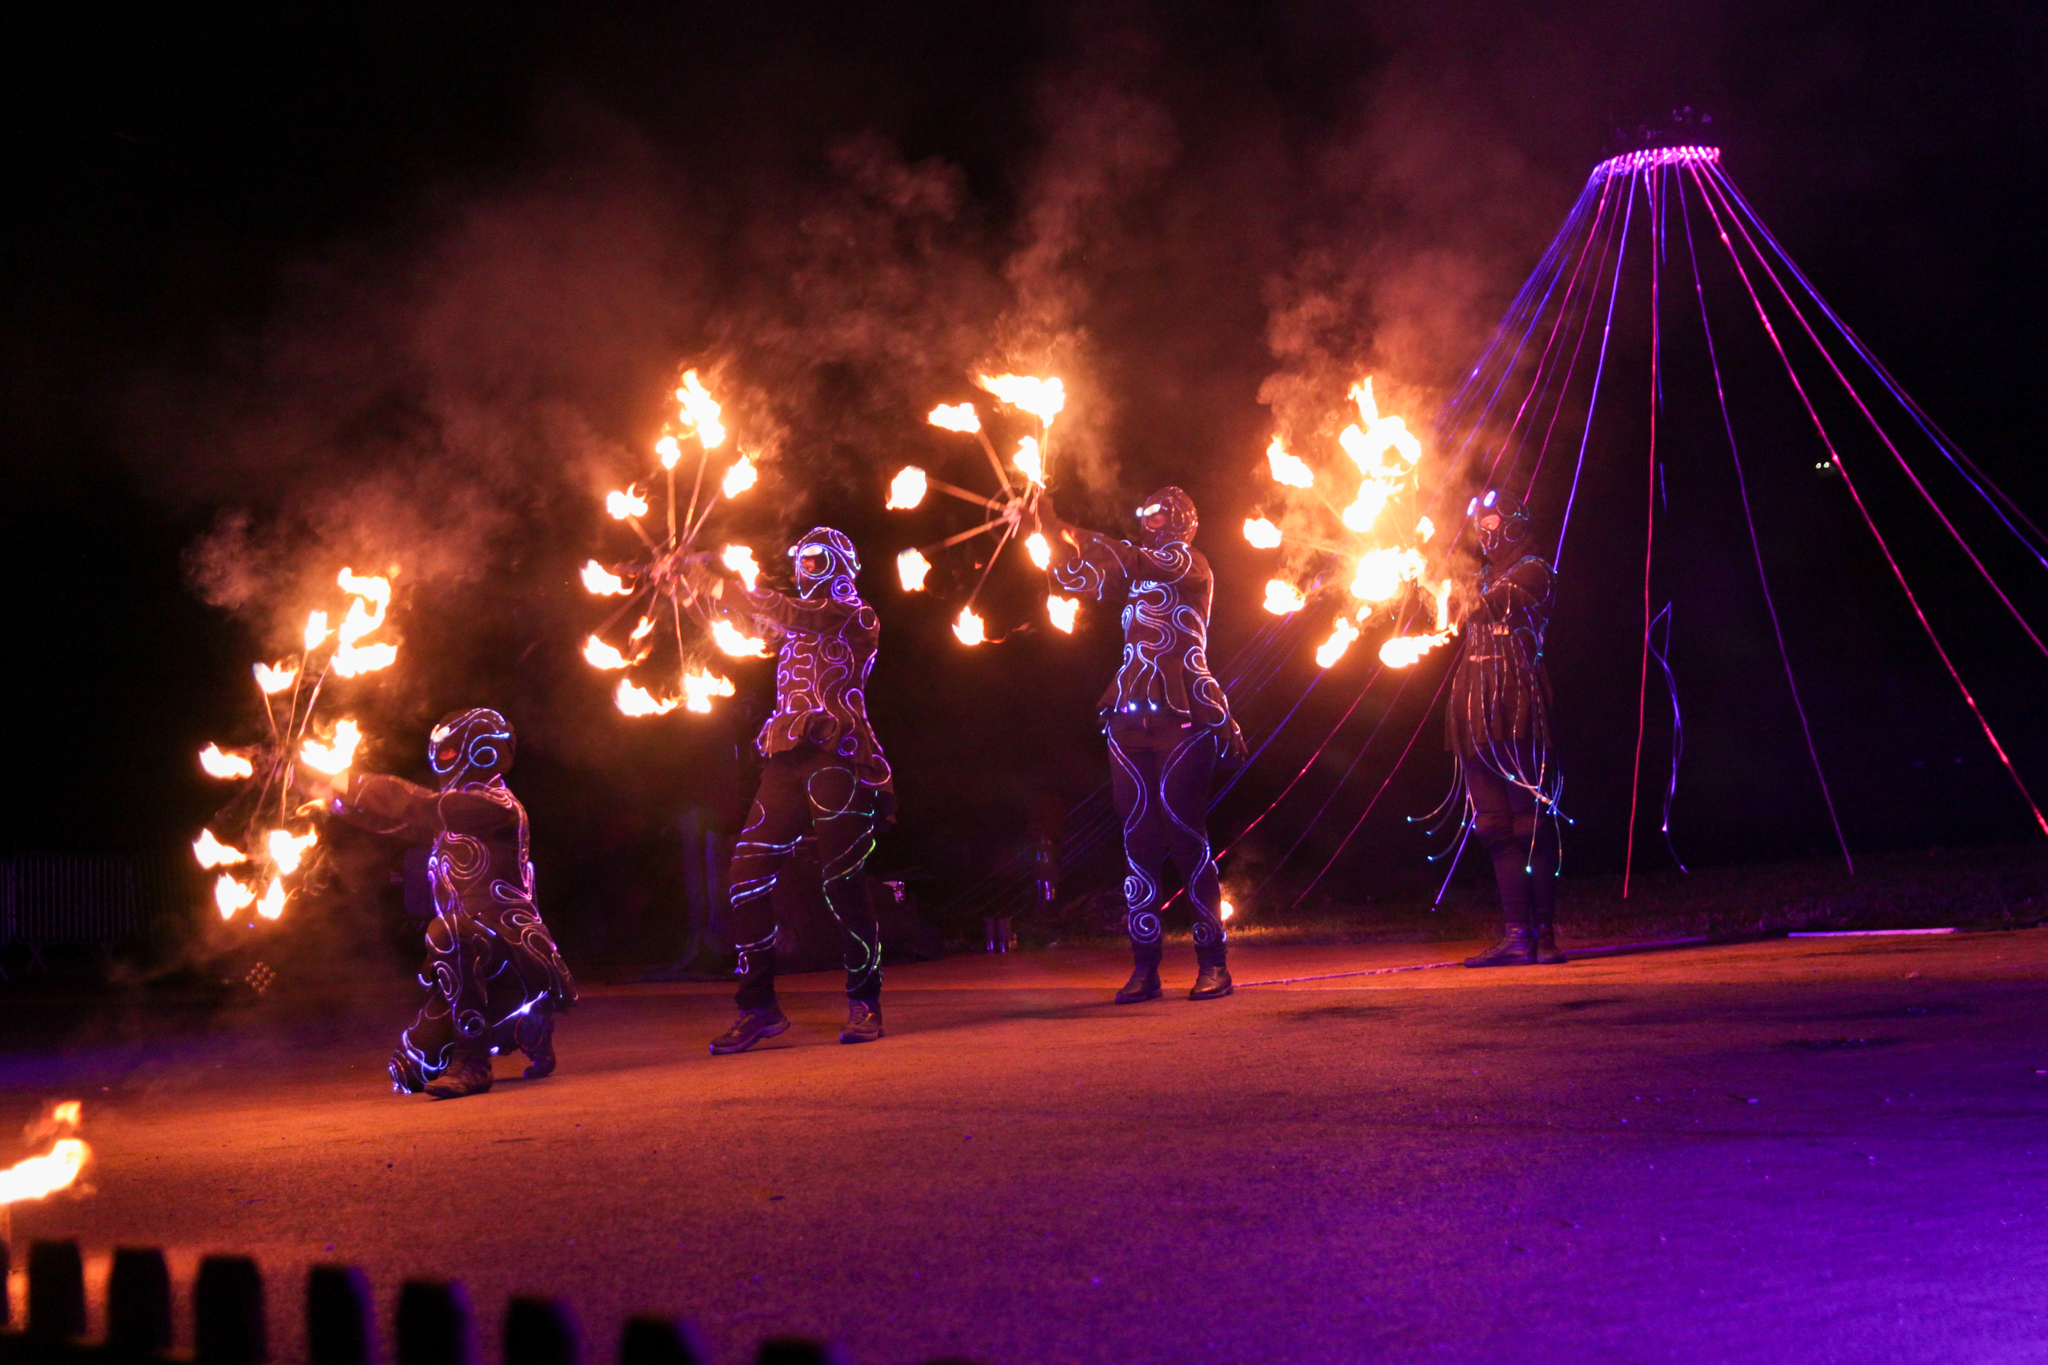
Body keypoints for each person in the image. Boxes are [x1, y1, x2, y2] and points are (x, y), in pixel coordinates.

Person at [1038, 486, 1246, 1004]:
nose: (1147, 520)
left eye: (1155, 513)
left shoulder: (1187, 562)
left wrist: (1062, 524)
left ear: (1178, 519)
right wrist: (1044, 536)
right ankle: (1145, 967)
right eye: (1143, 513)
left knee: (1184, 834)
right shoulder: (1136, 572)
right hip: (1129, 716)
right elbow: (1072, 578)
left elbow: (1127, 558)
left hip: (1184, 714)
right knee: (1137, 841)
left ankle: (1212, 963)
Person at [693, 527, 895, 1053]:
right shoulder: (790, 624)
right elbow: (745, 626)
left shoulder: (855, 615)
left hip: (839, 753)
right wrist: (693, 587)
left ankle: (865, 1000)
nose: (805, 567)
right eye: (800, 559)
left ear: (838, 562)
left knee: (842, 880)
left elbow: (791, 613)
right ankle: (758, 1007)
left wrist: (726, 586)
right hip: (786, 758)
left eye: (815, 558)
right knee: (745, 875)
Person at [324, 708, 578, 1098]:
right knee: (409, 1071)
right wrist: (327, 798)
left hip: (511, 955)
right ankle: (522, 1026)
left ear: (483, 751)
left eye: (448, 753)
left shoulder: (497, 806)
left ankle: (474, 1061)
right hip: (472, 960)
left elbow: (419, 806)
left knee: (448, 929)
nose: (441, 762)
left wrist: (344, 781)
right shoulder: (454, 812)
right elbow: (397, 820)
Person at [1447, 489, 1565, 967]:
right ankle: (1517, 934)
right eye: (1481, 528)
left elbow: (1487, 606)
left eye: (1495, 525)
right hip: (1473, 708)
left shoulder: (1535, 569)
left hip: (1516, 706)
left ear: (1515, 523)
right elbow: (1443, 614)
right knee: (1493, 828)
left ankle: (1546, 934)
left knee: (1531, 823)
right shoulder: (1477, 575)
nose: (1487, 535)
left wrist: (1440, 582)